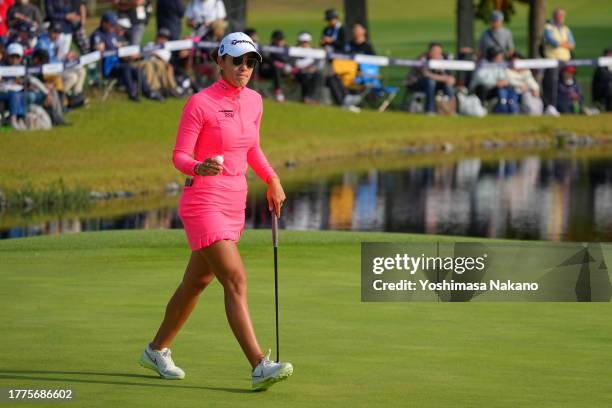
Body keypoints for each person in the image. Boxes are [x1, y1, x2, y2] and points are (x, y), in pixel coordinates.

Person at [139, 32, 293, 391]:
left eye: (251, 62)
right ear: (220, 61)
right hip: (202, 201)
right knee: (235, 278)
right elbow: (179, 155)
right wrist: (198, 167)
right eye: (237, 61)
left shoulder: (255, 101)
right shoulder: (200, 103)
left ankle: (156, 349)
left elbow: (252, 148)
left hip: (234, 203)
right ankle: (259, 365)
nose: (244, 68)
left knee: (196, 283)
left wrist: (272, 178)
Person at [405, 42, 455, 114]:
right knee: (431, 82)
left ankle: (451, 110)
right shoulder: (423, 58)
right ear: (429, 51)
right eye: (434, 51)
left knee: (448, 86)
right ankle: (430, 110)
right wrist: (444, 78)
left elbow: (451, 77)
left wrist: (442, 68)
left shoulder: (444, 58)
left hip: (436, 84)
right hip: (417, 83)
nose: (436, 53)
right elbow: (426, 74)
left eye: (438, 52)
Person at [542, 7, 576, 110]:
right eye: (560, 15)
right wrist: (564, 43)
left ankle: (566, 106)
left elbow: (572, 44)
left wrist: (561, 44)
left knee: (567, 84)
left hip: (566, 61)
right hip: (552, 61)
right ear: (555, 16)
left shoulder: (566, 29)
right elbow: (553, 42)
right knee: (552, 85)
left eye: (563, 16)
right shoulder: (548, 28)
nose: (562, 18)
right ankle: (551, 107)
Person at [470, 47, 518, 114]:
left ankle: (508, 108)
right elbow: (481, 79)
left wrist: (503, 82)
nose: (502, 56)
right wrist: (496, 83)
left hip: (493, 89)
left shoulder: (500, 65)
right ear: (493, 56)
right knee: (482, 88)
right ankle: (481, 109)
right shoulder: (482, 64)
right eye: (499, 55)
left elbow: (503, 77)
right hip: (479, 90)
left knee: (507, 88)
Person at [259, 29, 292, 102]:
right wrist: (274, 62)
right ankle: (278, 92)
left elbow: (290, 60)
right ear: (274, 40)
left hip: (284, 71)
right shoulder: (269, 49)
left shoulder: (287, 49)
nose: (280, 41)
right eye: (278, 39)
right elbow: (264, 59)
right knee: (276, 69)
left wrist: (286, 65)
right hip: (269, 72)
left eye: (282, 39)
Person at [293, 31, 322, 104]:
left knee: (319, 75)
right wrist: (306, 68)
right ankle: (306, 97)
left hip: (312, 71)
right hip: (299, 72)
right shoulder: (295, 50)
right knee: (305, 76)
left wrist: (313, 68)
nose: (305, 43)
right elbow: (295, 64)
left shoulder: (313, 51)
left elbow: (318, 63)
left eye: (306, 42)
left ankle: (314, 97)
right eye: (303, 42)